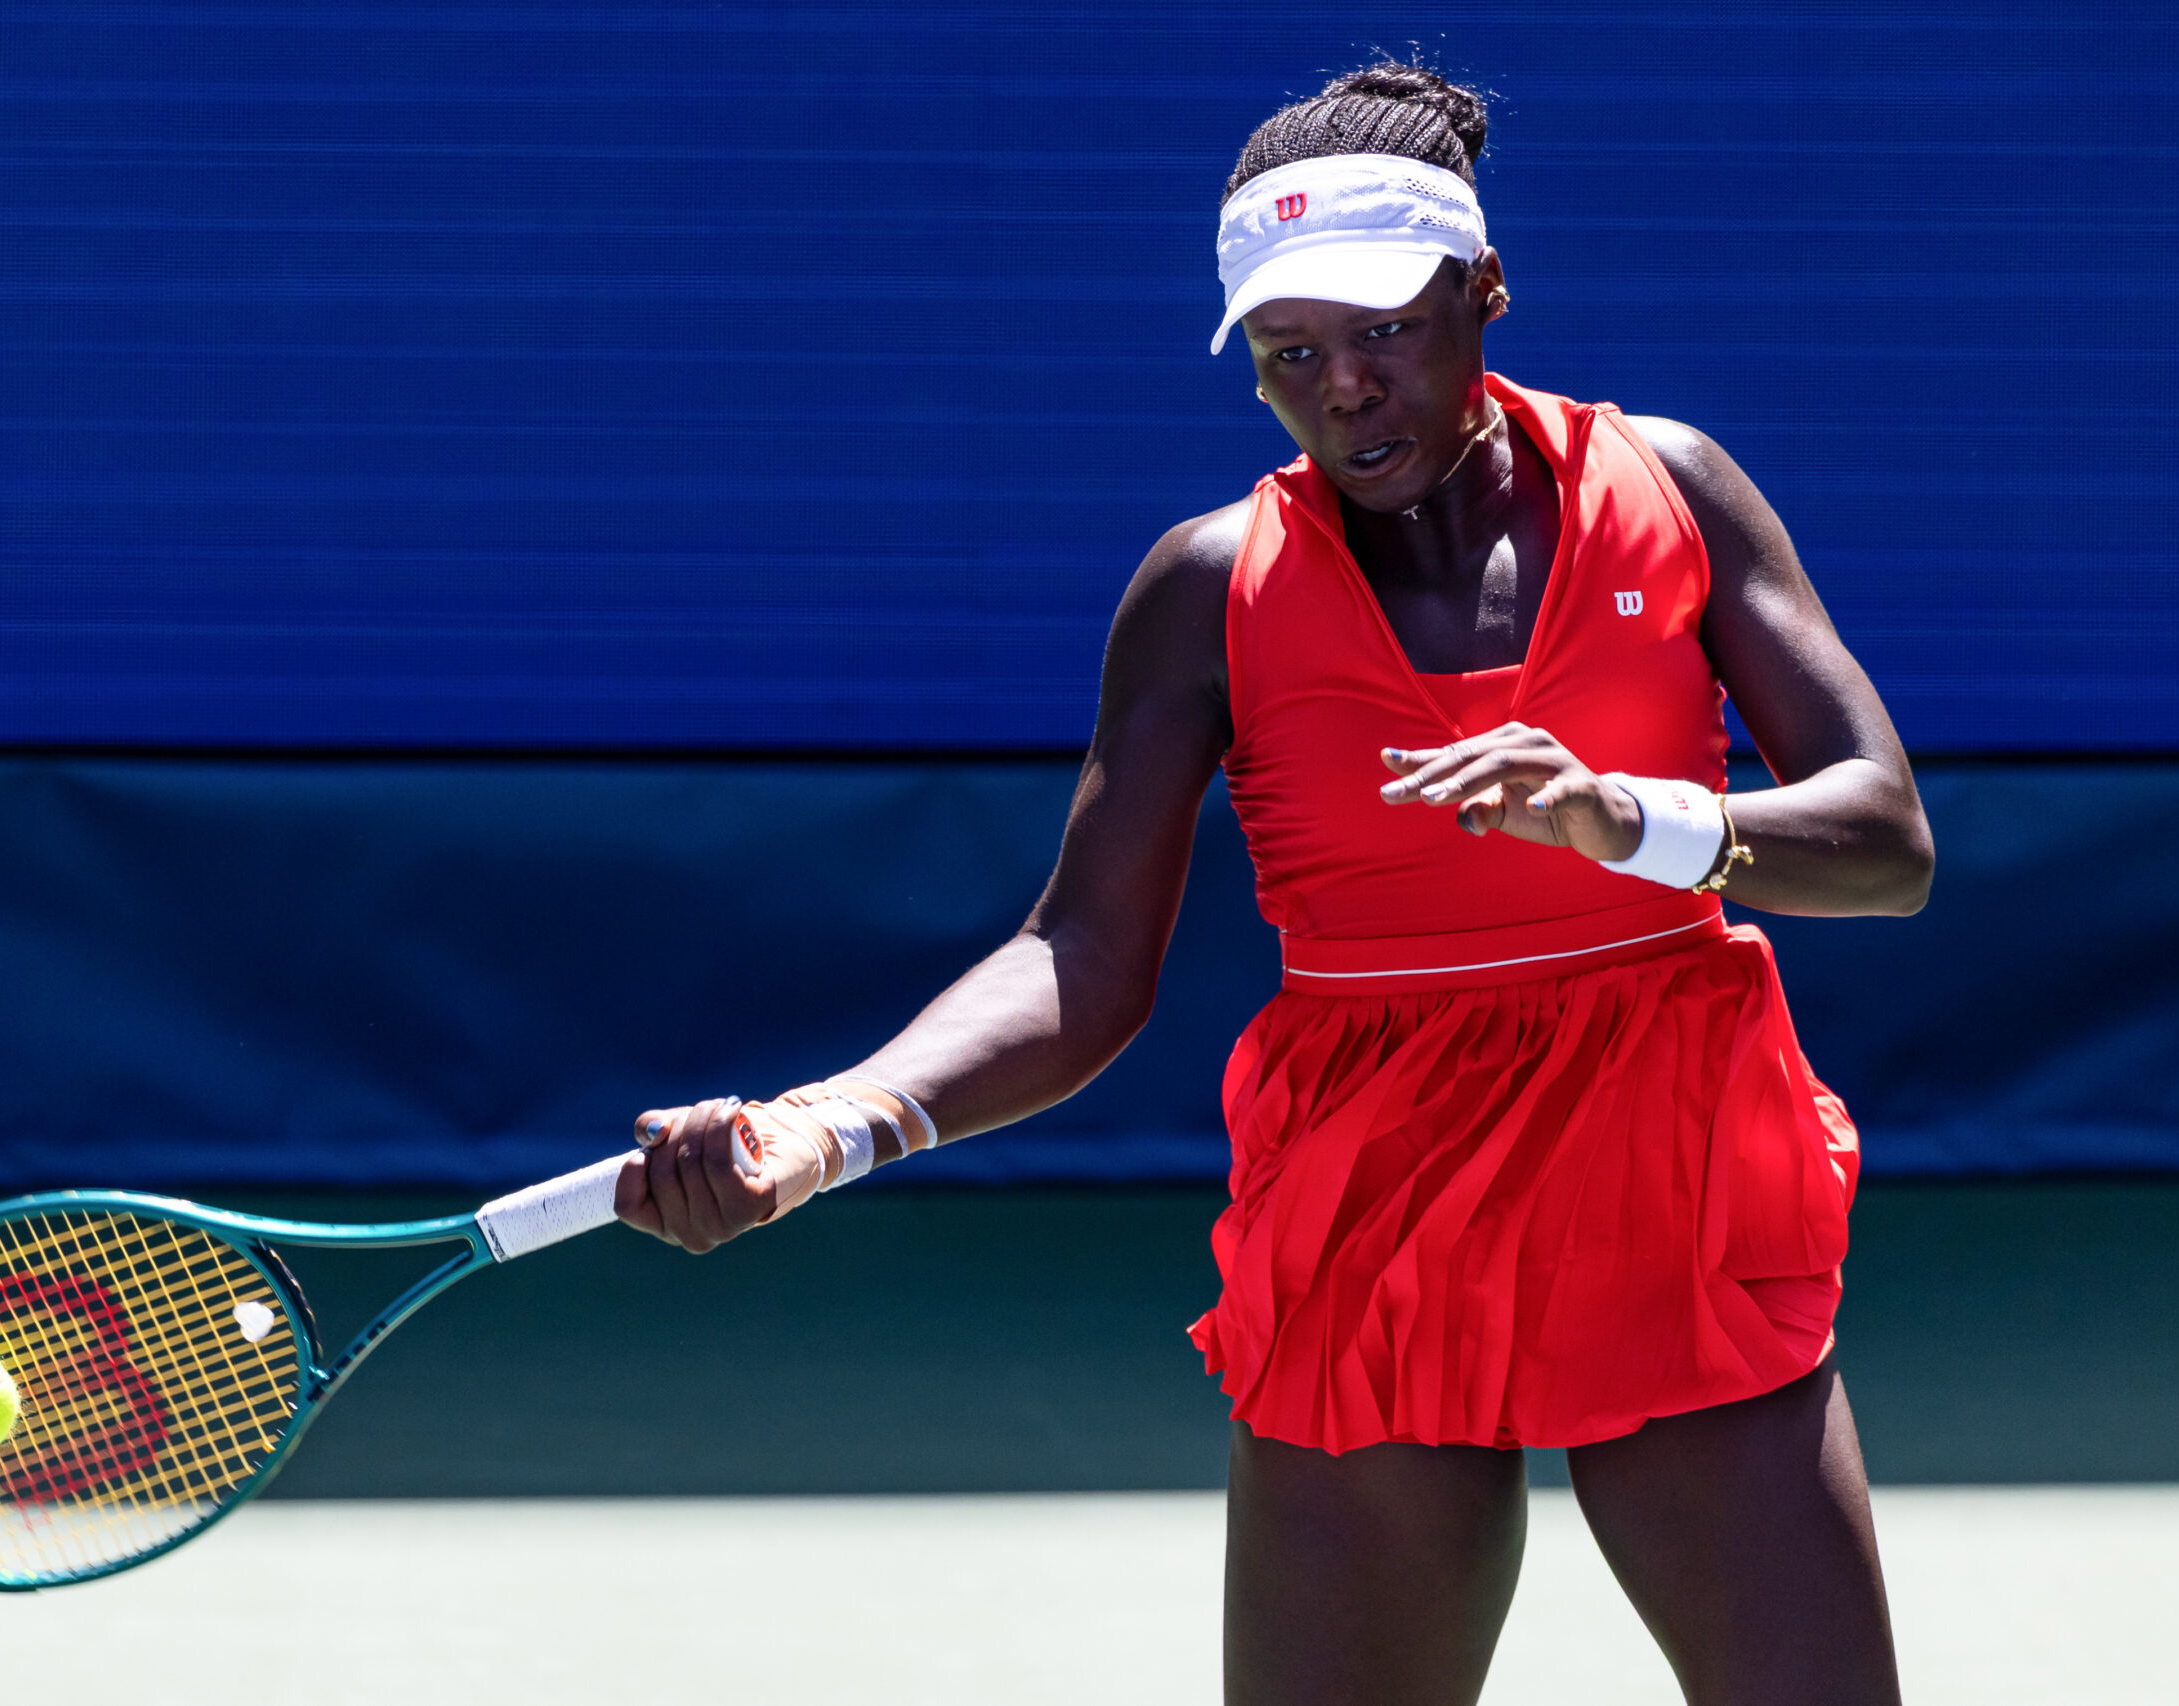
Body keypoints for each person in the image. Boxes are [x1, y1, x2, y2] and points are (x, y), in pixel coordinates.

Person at [616, 60, 1931, 1706]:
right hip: (1371, 1211)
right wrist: (837, 1120)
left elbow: (1888, 841)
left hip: (1671, 1165)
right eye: (1290, 354)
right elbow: (1082, 956)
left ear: (1486, 292)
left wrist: (1639, 823)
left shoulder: (1671, 486)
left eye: (1384, 331)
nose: (1346, 389)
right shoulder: (1208, 589)